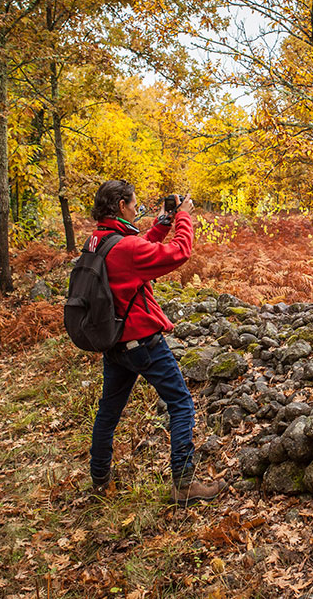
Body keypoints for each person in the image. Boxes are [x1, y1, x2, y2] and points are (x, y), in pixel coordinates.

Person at [86, 179, 223, 505]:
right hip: (142, 342)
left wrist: (161, 223)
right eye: (134, 204)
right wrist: (183, 218)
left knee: (108, 412)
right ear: (121, 206)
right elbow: (179, 253)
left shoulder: (99, 241)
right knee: (181, 404)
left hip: (114, 342)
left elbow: (136, 253)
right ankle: (184, 483)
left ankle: (100, 479)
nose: (137, 209)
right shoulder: (125, 246)